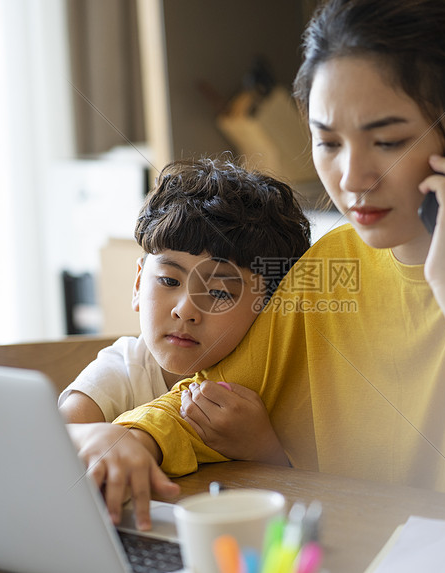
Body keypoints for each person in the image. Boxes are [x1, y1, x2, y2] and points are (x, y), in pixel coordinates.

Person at [76, 0, 445, 530]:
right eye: (328, 143)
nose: (352, 177)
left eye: (388, 141)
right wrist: (132, 439)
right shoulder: (335, 262)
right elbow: (204, 403)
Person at [64, 157, 311, 514]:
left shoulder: (275, 377)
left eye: (220, 293)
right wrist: (91, 435)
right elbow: (47, 442)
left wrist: (263, 449)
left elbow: (316, 495)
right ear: (138, 283)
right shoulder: (124, 370)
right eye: (168, 281)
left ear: (268, 310)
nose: (185, 309)